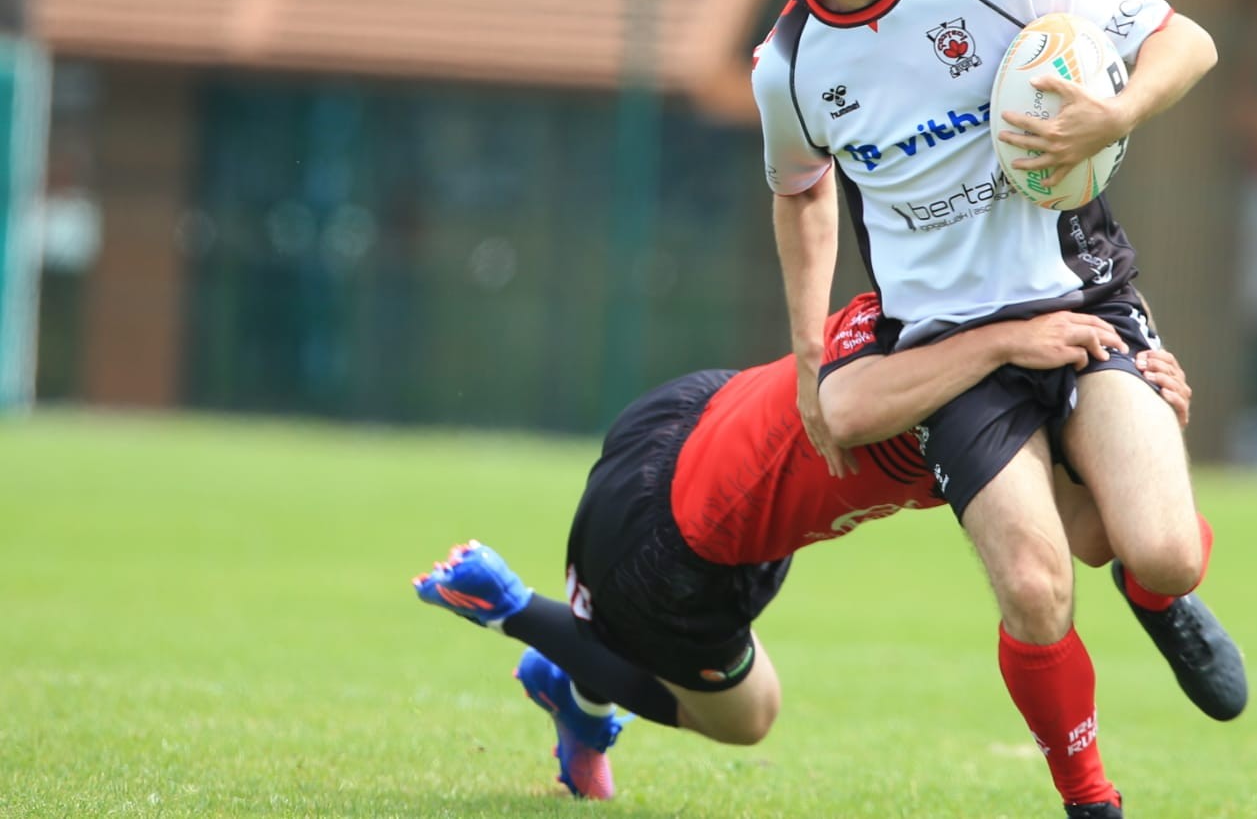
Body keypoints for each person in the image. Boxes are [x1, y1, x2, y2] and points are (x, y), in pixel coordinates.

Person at [748, 0, 1243, 818]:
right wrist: (806, 349)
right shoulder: (788, 67)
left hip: (1083, 299)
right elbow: (799, 191)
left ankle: (1164, 596)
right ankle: (1088, 798)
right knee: (1034, 581)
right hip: (947, 345)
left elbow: (1184, 41)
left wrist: (1116, 112)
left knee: (1151, 548)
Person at [413, 296, 1198, 803]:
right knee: (748, 717)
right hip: (673, 544)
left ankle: (579, 678)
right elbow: (858, 413)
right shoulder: (967, 392)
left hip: (704, 418)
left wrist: (1149, 412)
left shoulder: (944, 315)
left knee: (692, 652)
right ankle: (514, 612)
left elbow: (1101, 533)